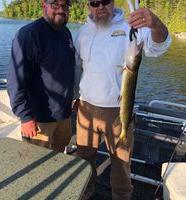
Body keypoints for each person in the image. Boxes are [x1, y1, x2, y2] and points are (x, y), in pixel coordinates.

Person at [74, 0, 171, 199]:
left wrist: (155, 24)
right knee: (83, 160)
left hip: (118, 111)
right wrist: (73, 98)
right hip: (85, 108)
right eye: (94, 2)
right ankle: (84, 194)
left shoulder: (131, 27)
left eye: (105, 1)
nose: (100, 7)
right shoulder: (83, 32)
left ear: (113, 2)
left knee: (121, 163)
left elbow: (158, 47)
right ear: (88, 5)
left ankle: (122, 196)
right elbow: (77, 68)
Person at [7, 0, 75, 153]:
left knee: (58, 159)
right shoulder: (28, 34)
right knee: (36, 165)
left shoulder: (66, 33)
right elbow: (15, 81)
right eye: (55, 5)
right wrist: (25, 118)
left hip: (64, 115)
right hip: (39, 120)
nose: (60, 9)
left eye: (64, 6)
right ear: (44, 6)